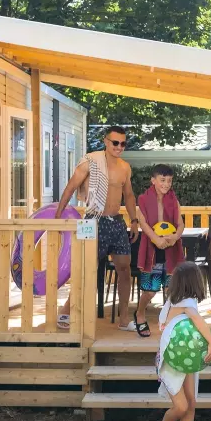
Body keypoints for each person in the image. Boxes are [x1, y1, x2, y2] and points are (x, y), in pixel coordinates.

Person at [54, 126, 139, 331]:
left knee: (125, 269)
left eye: (123, 143)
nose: (119, 147)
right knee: (85, 270)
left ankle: (124, 319)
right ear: (105, 141)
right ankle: (67, 310)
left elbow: (128, 195)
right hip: (92, 220)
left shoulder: (125, 167)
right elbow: (71, 187)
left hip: (116, 222)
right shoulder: (90, 161)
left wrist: (134, 221)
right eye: (115, 142)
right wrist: (58, 215)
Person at [152, 262, 211, 421]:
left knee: (190, 404)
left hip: (185, 358)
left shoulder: (175, 301)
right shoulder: (184, 303)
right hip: (171, 362)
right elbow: (197, 320)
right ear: (195, 282)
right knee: (181, 406)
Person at [134, 164, 186, 338]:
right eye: (162, 180)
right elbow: (143, 223)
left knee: (172, 289)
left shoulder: (174, 200)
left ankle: (171, 322)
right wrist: (156, 239)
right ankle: (140, 313)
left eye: (169, 181)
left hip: (171, 250)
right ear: (153, 180)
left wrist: (175, 237)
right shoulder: (143, 199)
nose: (166, 184)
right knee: (150, 290)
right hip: (152, 250)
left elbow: (180, 224)